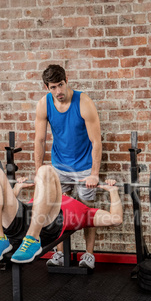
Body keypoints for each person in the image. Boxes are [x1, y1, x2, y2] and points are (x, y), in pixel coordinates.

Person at [0, 163, 123, 265]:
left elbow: (116, 219)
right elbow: (3, 205)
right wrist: (17, 188)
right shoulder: (41, 196)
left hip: (46, 225)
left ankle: (32, 239)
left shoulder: (85, 211)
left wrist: (113, 191)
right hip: (22, 219)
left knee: (45, 170)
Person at [34, 64, 102, 269]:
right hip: (59, 167)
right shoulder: (44, 105)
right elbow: (39, 140)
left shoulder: (84, 102)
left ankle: (89, 254)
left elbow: (96, 141)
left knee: (87, 211)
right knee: (59, 210)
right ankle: (62, 253)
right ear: (47, 87)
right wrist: (39, 172)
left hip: (84, 167)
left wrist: (95, 174)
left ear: (66, 80)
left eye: (61, 85)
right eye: (53, 87)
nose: (58, 92)